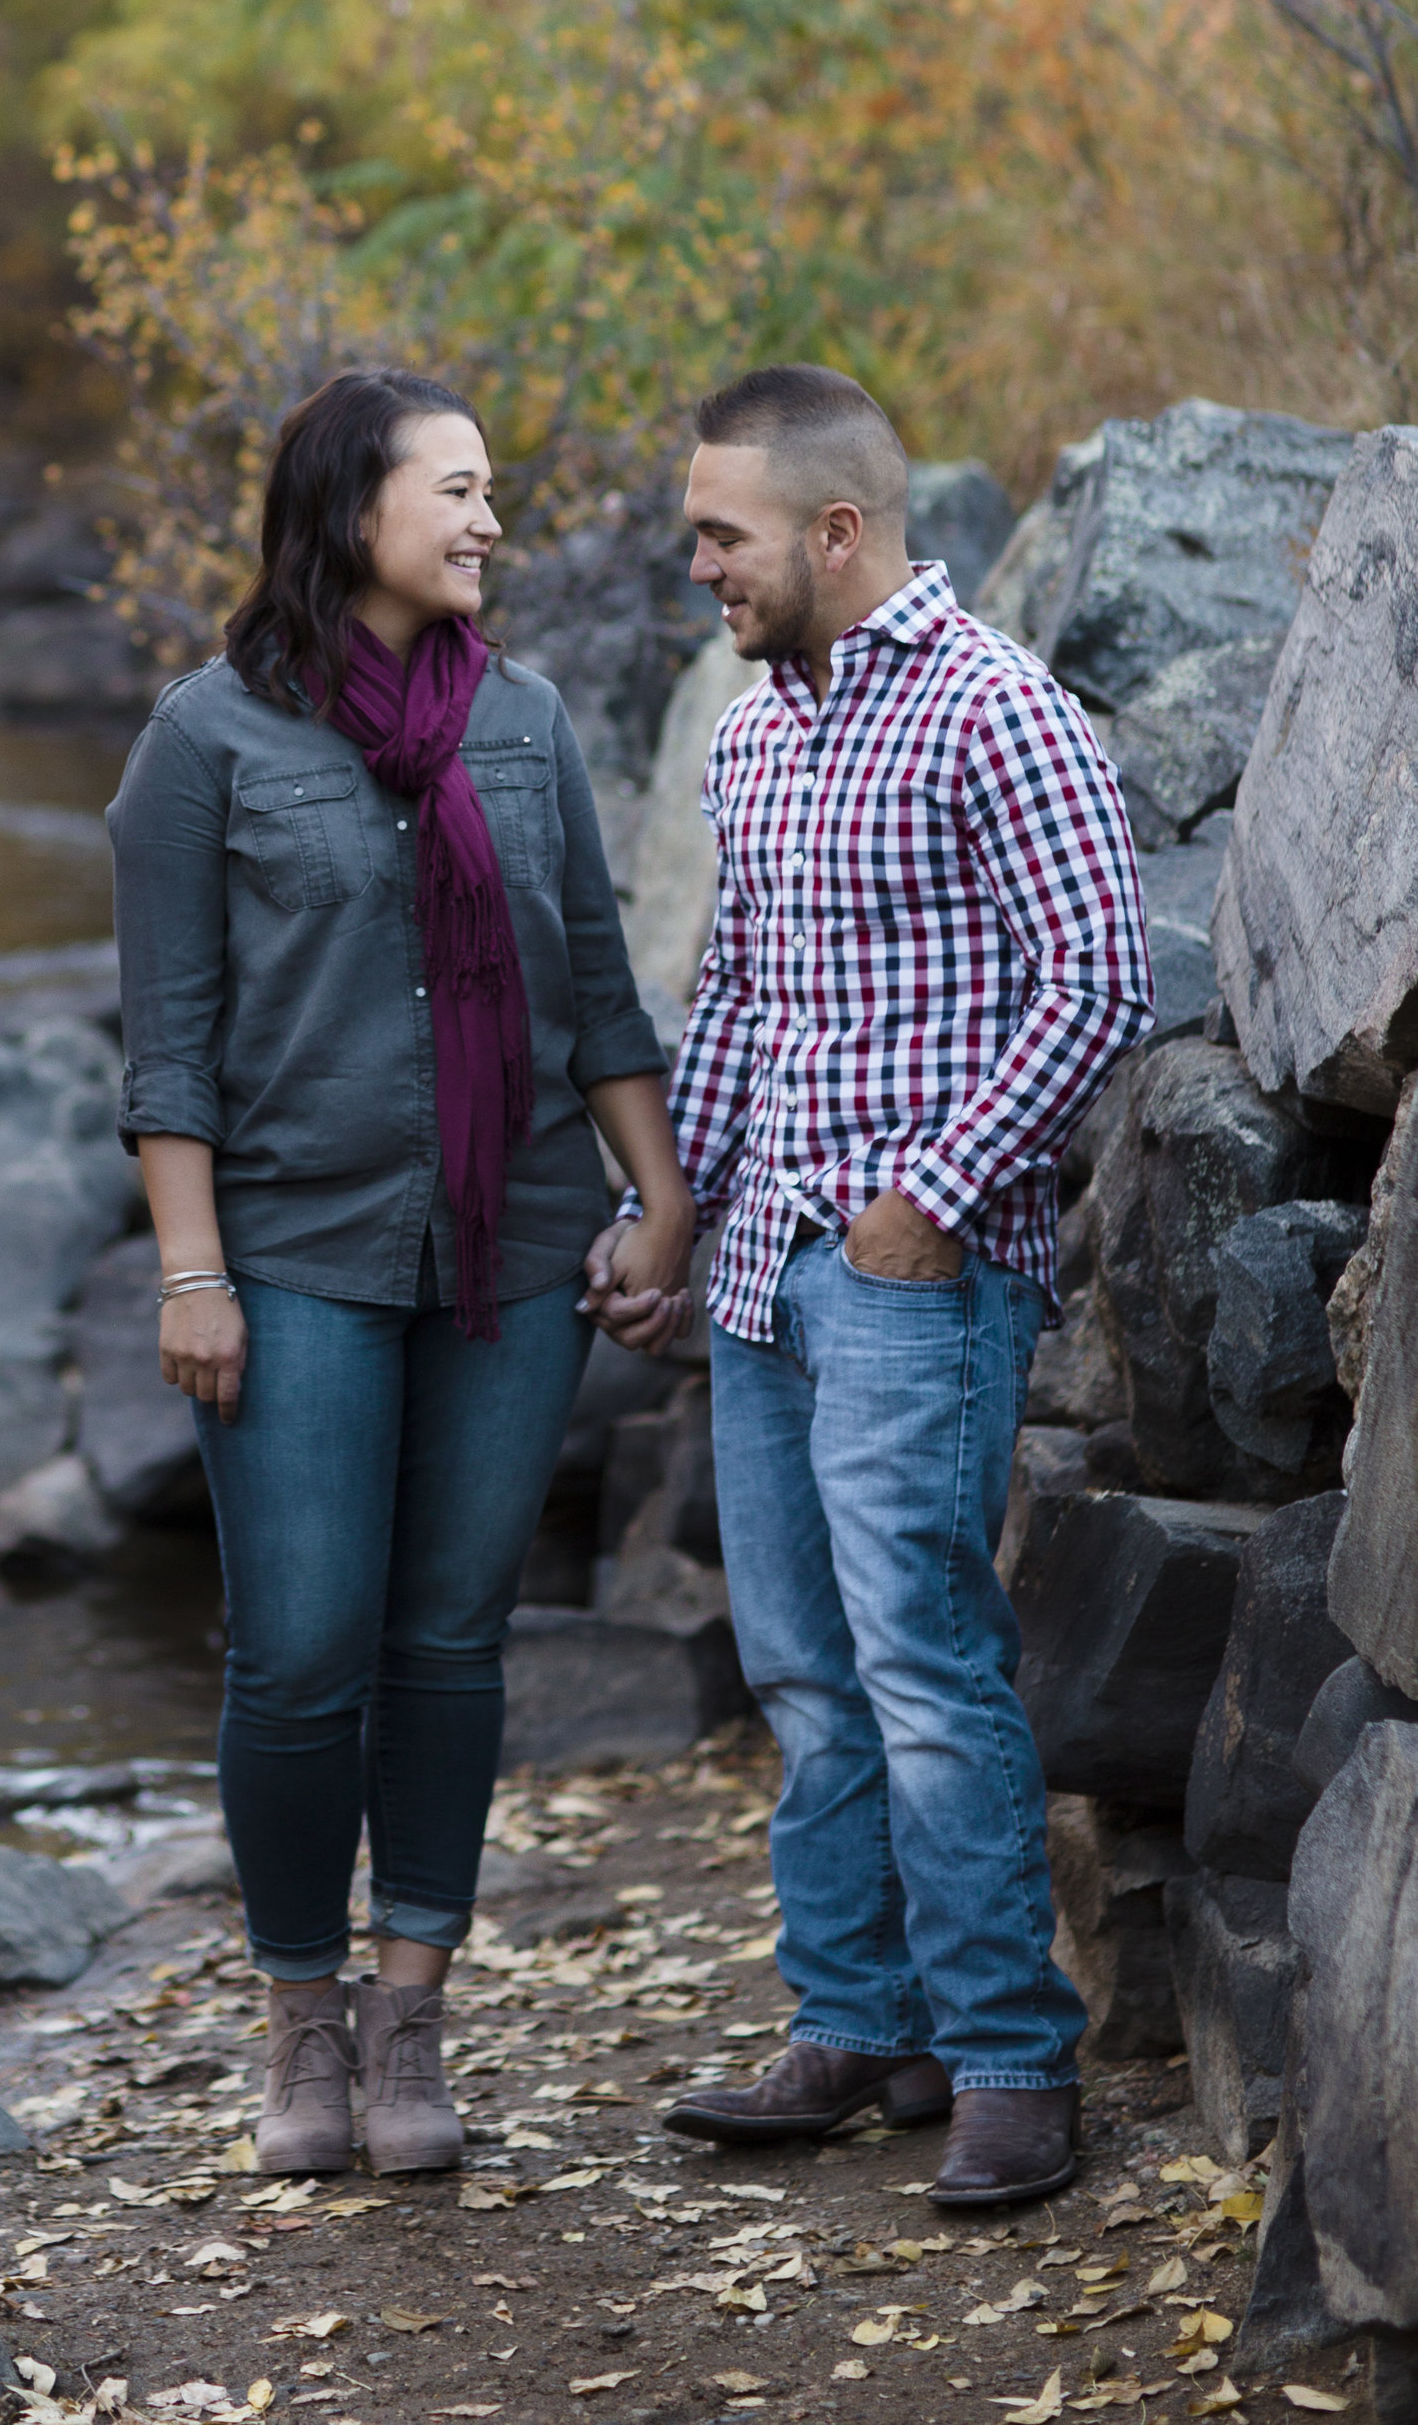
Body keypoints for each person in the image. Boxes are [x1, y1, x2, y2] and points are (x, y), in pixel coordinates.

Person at [109, 367, 696, 2176]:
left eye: (491, 489)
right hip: (289, 1253)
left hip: (512, 1247)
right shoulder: (203, 742)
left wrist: (660, 1204)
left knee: (448, 1641)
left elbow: (592, 983)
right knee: (297, 1655)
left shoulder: (517, 719)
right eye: (456, 487)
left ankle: (412, 2016)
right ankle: (299, 2022)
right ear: (353, 503)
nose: (489, 519)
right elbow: (169, 1041)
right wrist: (188, 1271)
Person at [590, 365, 1151, 2209]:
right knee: (806, 1677)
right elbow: (740, 997)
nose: (699, 568)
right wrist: (676, 1214)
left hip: (913, 1278)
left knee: (922, 1664)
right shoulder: (759, 731)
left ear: (839, 529)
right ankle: (860, 2026)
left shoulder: (998, 710)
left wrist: (933, 1190)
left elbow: (1098, 980)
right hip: (763, 1278)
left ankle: (1006, 2059)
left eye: (720, 535)